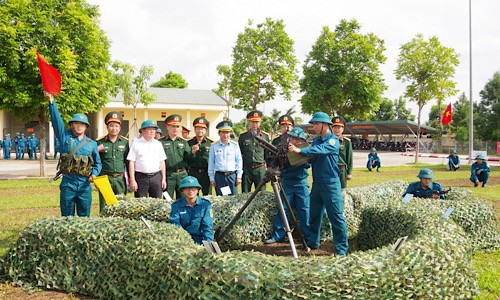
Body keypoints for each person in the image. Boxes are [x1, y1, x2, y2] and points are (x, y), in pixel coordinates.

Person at [288, 112, 348, 255]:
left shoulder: (333, 140)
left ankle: (341, 250)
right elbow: (312, 157)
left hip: (331, 184)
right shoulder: (316, 141)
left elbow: (320, 151)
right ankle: (313, 242)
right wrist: (295, 157)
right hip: (317, 184)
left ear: (325, 125)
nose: (313, 126)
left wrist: (300, 150)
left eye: (316, 124)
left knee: (336, 217)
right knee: (314, 215)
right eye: (313, 124)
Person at [45, 92, 102, 217]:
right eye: (77, 123)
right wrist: (51, 102)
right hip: (68, 184)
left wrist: (94, 174)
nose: (79, 126)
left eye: (82, 124)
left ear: (86, 127)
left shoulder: (92, 144)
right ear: (72, 125)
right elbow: (56, 121)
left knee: (84, 217)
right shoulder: (64, 138)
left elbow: (98, 163)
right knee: (66, 217)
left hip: (84, 185)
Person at [266, 127, 311, 245]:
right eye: (292, 138)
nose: (294, 141)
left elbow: (309, 161)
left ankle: (308, 236)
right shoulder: (282, 149)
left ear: (302, 141)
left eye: (297, 139)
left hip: (301, 182)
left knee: (305, 210)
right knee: (283, 208)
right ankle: (278, 235)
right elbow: (273, 161)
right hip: (287, 183)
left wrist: (297, 152)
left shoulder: (305, 150)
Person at [97, 111, 130, 213]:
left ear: (119, 128)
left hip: (120, 178)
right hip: (105, 178)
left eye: (116, 126)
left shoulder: (125, 142)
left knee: (121, 205)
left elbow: (127, 162)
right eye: (111, 126)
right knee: (104, 206)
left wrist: (130, 178)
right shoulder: (100, 142)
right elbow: (96, 161)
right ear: (107, 127)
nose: (114, 128)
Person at [127, 120, 167, 198]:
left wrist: (163, 179)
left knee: (157, 203)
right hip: (141, 177)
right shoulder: (136, 144)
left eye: (154, 129)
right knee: (140, 203)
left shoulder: (158, 144)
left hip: (156, 176)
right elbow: (131, 162)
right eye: (149, 129)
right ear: (143, 130)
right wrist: (132, 180)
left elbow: (162, 162)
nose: (152, 131)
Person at [169, 176, 214, 244]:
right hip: (183, 240)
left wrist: (209, 243)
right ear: (183, 190)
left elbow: (207, 226)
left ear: (198, 190)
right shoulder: (176, 205)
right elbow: (175, 225)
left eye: (193, 188)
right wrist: (185, 241)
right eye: (187, 189)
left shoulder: (205, 205)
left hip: (201, 239)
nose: (190, 191)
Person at [159, 114, 191, 199]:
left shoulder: (183, 142)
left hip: (182, 174)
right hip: (168, 175)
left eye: (177, 126)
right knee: (167, 198)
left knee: (183, 199)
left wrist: (193, 152)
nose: (175, 129)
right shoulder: (160, 142)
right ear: (167, 127)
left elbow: (188, 157)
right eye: (173, 126)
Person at [208, 121, 243, 196]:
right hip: (220, 177)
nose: (225, 135)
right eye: (223, 132)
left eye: (227, 132)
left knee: (233, 199)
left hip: (232, 176)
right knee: (221, 199)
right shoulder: (214, 146)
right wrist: (211, 178)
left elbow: (238, 161)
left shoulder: (234, 145)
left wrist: (239, 176)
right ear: (219, 133)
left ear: (230, 133)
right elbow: (211, 162)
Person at [239, 110, 270, 193]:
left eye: (257, 122)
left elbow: (267, 154)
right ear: (249, 122)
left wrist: (269, 169)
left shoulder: (265, 136)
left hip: (260, 168)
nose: (254, 124)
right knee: (245, 193)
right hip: (247, 169)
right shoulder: (243, 136)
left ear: (260, 122)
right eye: (252, 122)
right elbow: (239, 153)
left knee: (261, 193)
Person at [187, 116, 213, 195]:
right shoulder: (188, 143)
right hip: (193, 173)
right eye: (198, 128)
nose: (200, 130)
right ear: (194, 129)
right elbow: (186, 158)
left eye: (202, 128)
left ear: (205, 130)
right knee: (193, 196)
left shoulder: (211, 143)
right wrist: (192, 152)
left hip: (206, 173)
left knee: (207, 196)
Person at [331, 116, 353, 188]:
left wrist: (349, 172)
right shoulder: (328, 141)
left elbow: (349, 158)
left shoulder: (346, 142)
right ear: (332, 128)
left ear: (342, 129)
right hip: (331, 169)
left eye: (339, 127)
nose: (337, 129)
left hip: (342, 170)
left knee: (342, 190)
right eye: (335, 127)